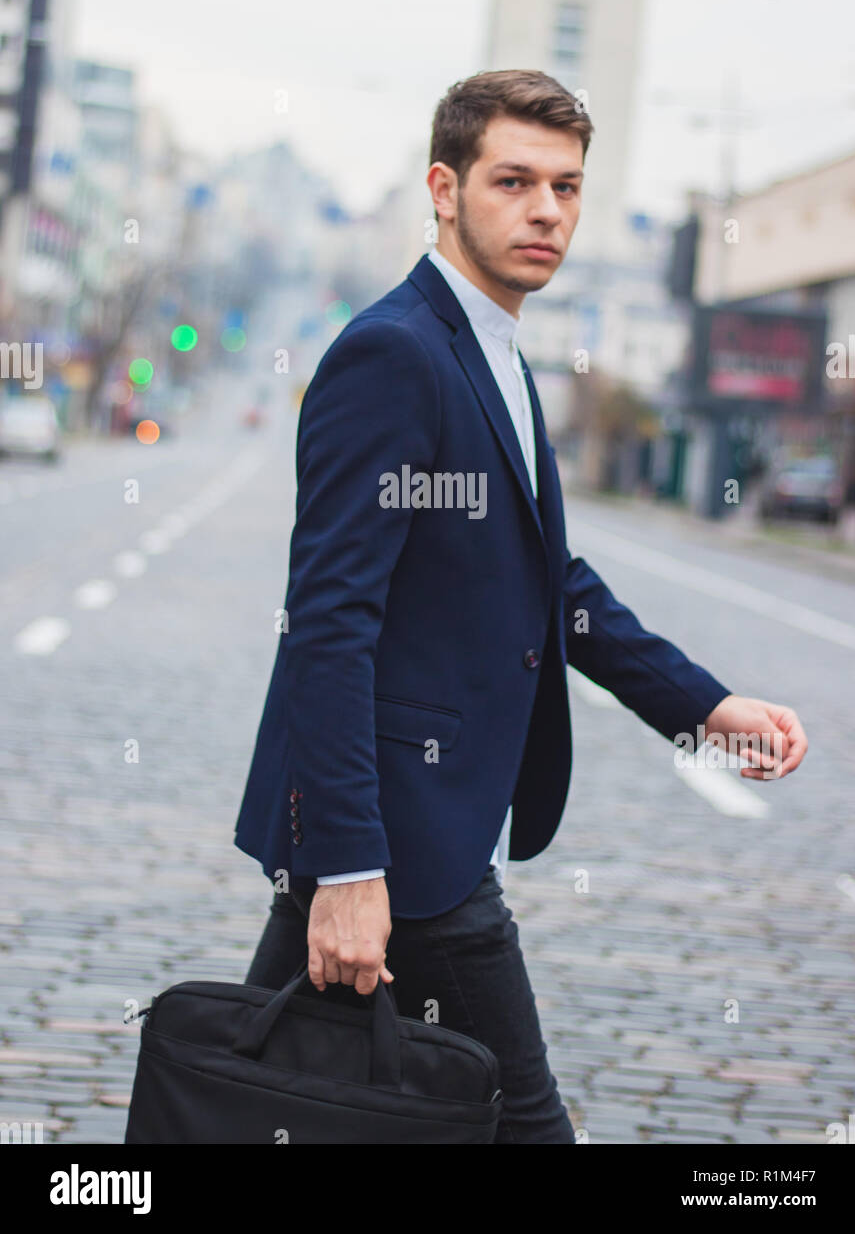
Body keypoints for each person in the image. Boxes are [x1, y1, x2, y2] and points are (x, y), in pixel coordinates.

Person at [234, 69, 808, 1144]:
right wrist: (351, 870)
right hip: (409, 850)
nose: (545, 210)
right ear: (443, 189)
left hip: (427, 837)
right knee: (521, 1125)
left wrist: (704, 705)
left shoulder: (493, 353)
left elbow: (550, 585)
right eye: (512, 181)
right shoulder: (394, 354)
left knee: (271, 1103)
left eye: (565, 186)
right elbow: (326, 623)